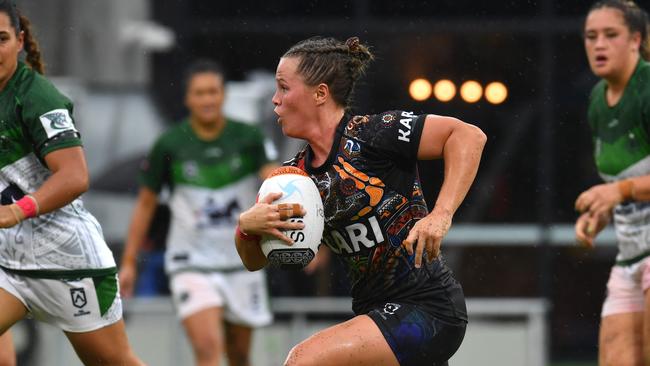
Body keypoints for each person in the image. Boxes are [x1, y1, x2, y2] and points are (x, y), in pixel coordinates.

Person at [236, 36, 486, 366]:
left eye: (283, 88)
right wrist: (246, 229)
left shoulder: (373, 134)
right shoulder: (294, 179)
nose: (275, 100)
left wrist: (441, 213)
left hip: (428, 309)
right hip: (376, 314)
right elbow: (254, 261)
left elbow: (468, 136)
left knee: (302, 361)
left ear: (320, 94)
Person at [0, 2, 143, 365]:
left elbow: (75, 176)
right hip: (9, 264)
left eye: (0, 39)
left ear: (19, 41)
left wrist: (17, 211)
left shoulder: (35, 97)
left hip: (66, 261)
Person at [119, 59, 276, 366]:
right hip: (191, 263)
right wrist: (128, 263)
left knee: (240, 356)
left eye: (213, 92)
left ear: (223, 94)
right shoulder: (170, 143)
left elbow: (275, 181)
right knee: (207, 348)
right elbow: (145, 204)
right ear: (188, 98)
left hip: (242, 261)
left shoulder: (248, 138)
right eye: (200, 93)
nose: (207, 99)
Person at [575, 1, 650, 365]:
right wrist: (605, 209)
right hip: (632, 251)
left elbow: (624, 185)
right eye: (591, 37)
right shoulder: (597, 102)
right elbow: (629, 180)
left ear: (635, 40)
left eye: (610, 35)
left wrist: (617, 192)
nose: (599, 45)